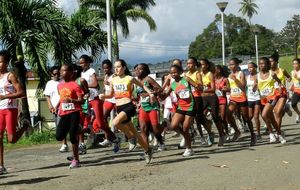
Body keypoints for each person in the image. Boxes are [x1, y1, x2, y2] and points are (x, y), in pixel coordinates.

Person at [99, 59, 154, 164]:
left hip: (128, 106)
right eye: (115, 67)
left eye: (119, 66)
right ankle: (147, 150)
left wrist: (150, 93)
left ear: (124, 68)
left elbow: (142, 85)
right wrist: (104, 96)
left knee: (115, 122)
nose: (116, 69)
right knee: (137, 135)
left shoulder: (129, 78)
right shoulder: (113, 80)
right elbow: (111, 95)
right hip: (119, 107)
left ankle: (131, 138)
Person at [79, 55, 116, 149]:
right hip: (86, 100)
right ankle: (81, 144)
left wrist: (84, 86)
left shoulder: (91, 71)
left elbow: (95, 84)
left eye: (83, 63)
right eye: (80, 63)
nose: (81, 65)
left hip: (94, 99)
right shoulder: (81, 73)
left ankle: (114, 138)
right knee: (81, 122)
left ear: (87, 63)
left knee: (100, 123)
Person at [0, 50, 27, 175]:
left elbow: (21, 92)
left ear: (6, 63)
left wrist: (5, 97)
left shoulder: (10, 76)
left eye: (1, 62)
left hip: (10, 109)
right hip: (0, 110)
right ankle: (1, 166)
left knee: (11, 140)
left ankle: (25, 126)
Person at [162, 65, 196, 156]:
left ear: (180, 72)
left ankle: (189, 148)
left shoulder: (186, 79)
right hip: (181, 107)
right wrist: (157, 93)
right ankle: (186, 136)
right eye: (171, 73)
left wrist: (200, 87)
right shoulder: (173, 84)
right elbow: (164, 96)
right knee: (173, 126)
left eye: (175, 72)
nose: (173, 74)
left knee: (185, 128)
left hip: (190, 106)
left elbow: (197, 86)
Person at [56, 64, 84, 168]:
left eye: (64, 71)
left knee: (73, 136)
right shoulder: (59, 85)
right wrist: (57, 106)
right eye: (61, 70)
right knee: (59, 136)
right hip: (64, 113)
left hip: (74, 112)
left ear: (71, 73)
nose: (61, 72)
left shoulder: (75, 85)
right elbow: (62, 98)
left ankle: (76, 160)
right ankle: (78, 128)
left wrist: (72, 100)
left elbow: (81, 100)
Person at [135, 63, 165, 151]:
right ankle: (147, 149)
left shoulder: (148, 79)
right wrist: (138, 102)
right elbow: (139, 94)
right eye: (136, 69)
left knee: (155, 129)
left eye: (140, 69)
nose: (137, 71)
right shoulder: (136, 81)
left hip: (152, 106)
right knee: (143, 129)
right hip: (143, 107)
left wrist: (152, 94)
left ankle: (161, 141)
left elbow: (160, 89)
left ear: (145, 71)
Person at [227, 58, 256, 146]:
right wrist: (225, 89)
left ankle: (252, 135)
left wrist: (235, 79)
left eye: (233, 64)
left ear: (237, 65)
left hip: (242, 97)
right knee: (227, 113)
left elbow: (243, 87)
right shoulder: (229, 75)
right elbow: (229, 88)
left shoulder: (241, 73)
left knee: (246, 118)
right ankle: (237, 131)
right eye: (230, 65)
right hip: (233, 98)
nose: (231, 66)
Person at [257, 57, 286, 144]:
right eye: (260, 63)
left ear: (267, 65)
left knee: (264, 114)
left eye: (263, 63)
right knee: (272, 119)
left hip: (272, 97)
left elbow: (279, 81)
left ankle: (271, 133)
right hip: (263, 99)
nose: (261, 65)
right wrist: (255, 88)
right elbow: (257, 86)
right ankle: (280, 134)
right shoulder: (257, 76)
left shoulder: (272, 73)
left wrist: (280, 87)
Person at [199, 59, 225, 146]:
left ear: (206, 65)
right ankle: (210, 132)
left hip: (211, 98)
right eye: (200, 64)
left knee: (215, 117)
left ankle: (221, 135)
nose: (201, 66)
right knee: (199, 116)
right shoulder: (199, 74)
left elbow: (213, 89)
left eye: (203, 64)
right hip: (202, 98)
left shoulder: (210, 74)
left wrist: (203, 88)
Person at [44, 66, 69, 152]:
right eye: (55, 74)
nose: (57, 75)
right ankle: (64, 143)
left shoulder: (63, 82)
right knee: (58, 126)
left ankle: (64, 144)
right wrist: (50, 106)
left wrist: (57, 106)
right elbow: (47, 96)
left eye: (58, 73)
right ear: (51, 74)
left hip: (62, 107)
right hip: (54, 108)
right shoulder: (49, 83)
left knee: (61, 125)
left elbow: (63, 96)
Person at [185, 57, 206, 144]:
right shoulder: (186, 74)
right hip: (188, 98)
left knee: (198, 118)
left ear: (194, 64)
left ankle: (203, 136)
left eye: (190, 63)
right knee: (189, 118)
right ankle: (192, 136)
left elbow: (201, 87)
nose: (188, 65)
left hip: (197, 97)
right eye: (187, 63)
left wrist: (191, 81)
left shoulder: (197, 74)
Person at [269, 53, 291, 129]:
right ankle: (286, 108)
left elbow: (289, 77)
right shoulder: (268, 73)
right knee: (277, 113)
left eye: (271, 61)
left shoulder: (282, 70)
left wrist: (288, 80)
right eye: (269, 62)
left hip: (282, 92)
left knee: (278, 112)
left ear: (276, 62)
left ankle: (277, 132)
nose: (270, 63)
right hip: (273, 94)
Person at [99, 59, 117, 147]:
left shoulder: (114, 76)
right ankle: (107, 138)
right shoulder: (105, 76)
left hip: (116, 98)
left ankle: (129, 137)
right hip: (108, 99)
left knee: (122, 119)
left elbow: (116, 86)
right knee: (103, 117)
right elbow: (104, 87)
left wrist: (109, 83)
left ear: (110, 68)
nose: (105, 70)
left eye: (107, 68)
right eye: (104, 68)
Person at [246, 62, 262, 140]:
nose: (250, 69)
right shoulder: (247, 77)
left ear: (255, 67)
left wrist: (256, 85)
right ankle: (252, 132)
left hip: (257, 98)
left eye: (251, 67)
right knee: (249, 117)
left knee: (256, 116)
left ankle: (258, 133)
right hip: (250, 98)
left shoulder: (259, 76)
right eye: (248, 68)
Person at [214, 65, 230, 140]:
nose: (213, 71)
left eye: (215, 70)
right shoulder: (212, 80)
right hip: (214, 100)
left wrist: (225, 89)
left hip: (222, 99)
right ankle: (222, 132)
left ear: (219, 70)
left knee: (223, 117)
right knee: (217, 118)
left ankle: (226, 132)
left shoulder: (225, 79)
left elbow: (229, 89)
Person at [290, 58, 300, 123]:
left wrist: (298, 78)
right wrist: (292, 87)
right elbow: (293, 81)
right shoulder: (292, 72)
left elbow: (297, 79)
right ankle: (299, 114)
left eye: (296, 63)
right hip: (297, 90)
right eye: (293, 64)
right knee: (293, 104)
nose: (295, 65)